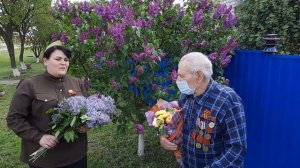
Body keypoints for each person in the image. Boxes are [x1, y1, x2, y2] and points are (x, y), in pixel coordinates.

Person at [7, 41, 88, 168]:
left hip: (77, 155)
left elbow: (87, 111)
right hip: (46, 160)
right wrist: (39, 137)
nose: (63, 62)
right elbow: (14, 118)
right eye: (58, 59)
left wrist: (86, 125)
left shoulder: (77, 82)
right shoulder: (30, 85)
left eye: (66, 59)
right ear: (45, 61)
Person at [160, 52, 247, 167]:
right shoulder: (186, 95)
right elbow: (173, 120)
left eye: (182, 76)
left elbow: (237, 149)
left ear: (199, 76)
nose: (177, 80)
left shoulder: (228, 100)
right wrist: (163, 136)